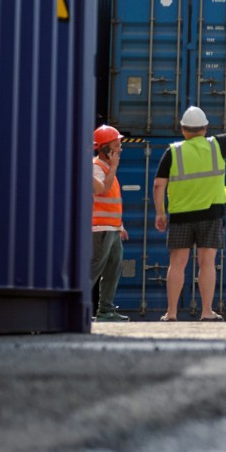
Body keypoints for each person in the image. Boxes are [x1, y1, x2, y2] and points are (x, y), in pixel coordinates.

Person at [152, 103, 226, 321]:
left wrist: (160, 213)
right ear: (205, 128)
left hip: (181, 215)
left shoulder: (173, 151)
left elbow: (158, 185)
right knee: (207, 262)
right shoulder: (217, 145)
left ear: (183, 129)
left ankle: (171, 313)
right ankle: (206, 312)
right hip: (211, 215)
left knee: (177, 264)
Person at [91, 125, 128, 322]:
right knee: (94, 268)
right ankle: (74, 305)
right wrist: (113, 167)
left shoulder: (106, 168)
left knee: (114, 268)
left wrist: (120, 226)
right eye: (116, 144)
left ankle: (106, 310)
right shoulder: (96, 167)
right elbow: (102, 191)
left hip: (112, 229)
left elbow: (112, 201)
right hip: (99, 229)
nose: (120, 148)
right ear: (104, 148)